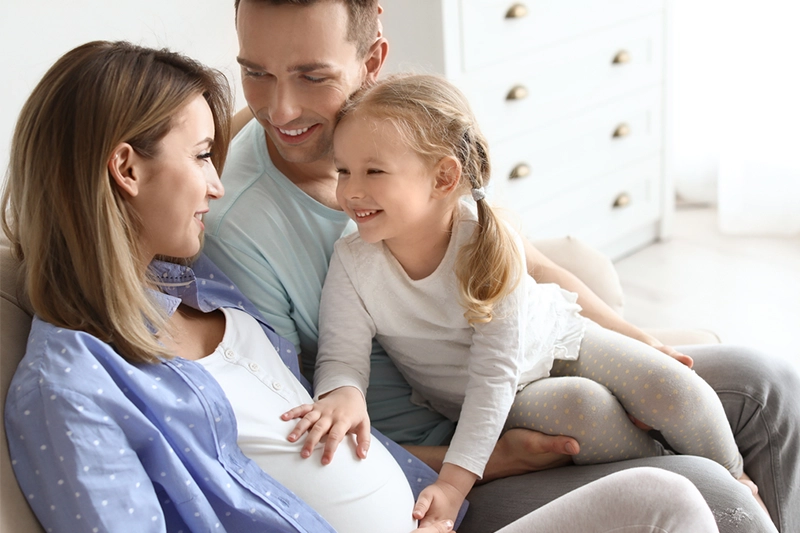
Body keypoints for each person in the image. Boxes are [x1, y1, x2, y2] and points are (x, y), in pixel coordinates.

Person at [2, 39, 722, 533]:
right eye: (199, 156)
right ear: (126, 169)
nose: (217, 185)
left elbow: (313, 444)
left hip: (433, 502)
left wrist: (483, 463)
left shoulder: (199, 283)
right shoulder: (70, 386)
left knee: (707, 477)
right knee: (667, 500)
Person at [203, 0, 799, 531]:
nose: (279, 108)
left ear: (372, 59)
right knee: (712, 490)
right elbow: (296, 426)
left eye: (312, 76)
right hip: (436, 464)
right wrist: (487, 462)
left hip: (525, 368)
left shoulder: (410, 141)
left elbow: (527, 267)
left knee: (765, 384)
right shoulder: (245, 228)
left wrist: (639, 340)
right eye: (255, 72)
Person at [281, 73, 748, 525]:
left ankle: (737, 482)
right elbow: (344, 354)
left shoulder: (484, 241)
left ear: (444, 178)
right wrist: (342, 393)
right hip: (500, 397)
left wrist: (639, 338)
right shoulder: (353, 261)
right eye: (343, 170)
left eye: (373, 171)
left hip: (559, 340)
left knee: (668, 385)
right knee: (582, 411)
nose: (350, 190)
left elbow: (500, 360)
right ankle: (679, 464)